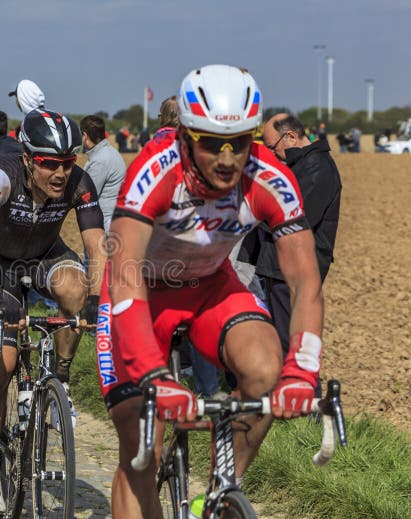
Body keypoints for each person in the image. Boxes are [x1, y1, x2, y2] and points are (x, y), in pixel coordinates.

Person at [97, 65, 324, 517]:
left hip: (209, 290)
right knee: (142, 444)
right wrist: (154, 376)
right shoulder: (154, 169)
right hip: (140, 295)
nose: (226, 159)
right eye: (210, 143)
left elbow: (304, 279)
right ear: (184, 133)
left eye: (239, 142)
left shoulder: (269, 175)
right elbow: (123, 275)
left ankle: (222, 489)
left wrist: (304, 368)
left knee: (265, 370)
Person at [0, 109, 106, 513]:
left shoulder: (79, 182)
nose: (60, 172)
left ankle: (57, 378)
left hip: (45, 255)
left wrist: (95, 299)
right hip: (0, 264)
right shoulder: (1, 178)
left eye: (68, 161)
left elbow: (96, 246)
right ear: (29, 158)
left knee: (76, 290)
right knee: (0, 367)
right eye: (49, 163)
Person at [241, 113, 341, 374]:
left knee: (292, 341)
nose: (272, 155)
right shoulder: (299, 166)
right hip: (276, 266)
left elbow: (295, 220)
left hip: (296, 269)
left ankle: (308, 405)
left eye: (273, 148)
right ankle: (282, 400)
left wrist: (254, 214)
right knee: (276, 338)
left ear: (291, 137)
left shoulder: (318, 169)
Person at [80, 115, 126, 233]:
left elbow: (86, 195)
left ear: (85, 136)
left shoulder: (100, 161)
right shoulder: (108, 152)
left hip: (105, 223)